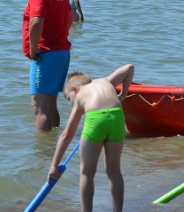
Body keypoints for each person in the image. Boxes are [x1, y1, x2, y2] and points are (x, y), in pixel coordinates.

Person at [47, 64, 135, 212]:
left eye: (70, 99)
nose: (72, 103)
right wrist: (123, 94)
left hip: (96, 119)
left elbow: (66, 135)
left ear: (75, 89)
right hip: (117, 116)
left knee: (87, 172)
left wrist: (54, 165)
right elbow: (129, 68)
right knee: (114, 171)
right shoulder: (105, 81)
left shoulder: (81, 95)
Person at [23, 0, 73, 131]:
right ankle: (53, 145)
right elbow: (71, 18)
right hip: (62, 52)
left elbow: (36, 22)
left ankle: (43, 154)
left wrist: (34, 49)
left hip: (46, 54)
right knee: (51, 105)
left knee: (39, 107)